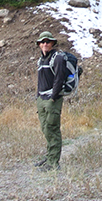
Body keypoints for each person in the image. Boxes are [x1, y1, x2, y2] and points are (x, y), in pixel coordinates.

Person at [35, 31, 68, 170]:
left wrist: (53, 97)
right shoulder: (40, 60)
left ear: (53, 43)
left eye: (48, 41)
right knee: (45, 129)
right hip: (41, 99)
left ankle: (53, 163)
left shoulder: (58, 58)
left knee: (52, 129)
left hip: (52, 100)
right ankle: (49, 156)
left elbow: (59, 79)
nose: (45, 44)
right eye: (42, 42)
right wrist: (38, 97)